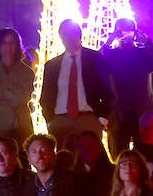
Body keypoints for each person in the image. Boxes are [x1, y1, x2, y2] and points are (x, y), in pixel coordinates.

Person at [40, 19, 112, 148]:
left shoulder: (95, 59)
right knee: (63, 160)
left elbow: (109, 90)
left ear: (79, 35)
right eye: (65, 34)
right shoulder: (52, 65)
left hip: (88, 118)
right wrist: (50, 120)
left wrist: (102, 118)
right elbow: (46, 96)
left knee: (90, 158)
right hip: (60, 120)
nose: (69, 38)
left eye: (72, 34)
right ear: (61, 37)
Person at [101, 18, 153, 154]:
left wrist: (147, 43)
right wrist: (109, 42)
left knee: (145, 153)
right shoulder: (112, 55)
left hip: (142, 112)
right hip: (119, 112)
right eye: (121, 31)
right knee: (118, 154)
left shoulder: (142, 53)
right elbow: (97, 63)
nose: (125, 35)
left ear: (135, 33)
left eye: (129, 31)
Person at [0, 27, 35, 142]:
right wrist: (12, 95)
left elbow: (23, 98)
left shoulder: (27, 72)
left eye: (12, 43)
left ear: (17, 46)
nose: (8, 47)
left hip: (21, 127)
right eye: (4, 43)